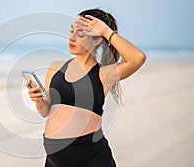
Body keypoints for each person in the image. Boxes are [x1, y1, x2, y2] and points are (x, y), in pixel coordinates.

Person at [25, 8, 146, 167]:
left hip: (91, 158)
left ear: (96, 40)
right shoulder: (55, 68)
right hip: (55, 160)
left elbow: (138, 58)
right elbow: (46, 111)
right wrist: (39, 100)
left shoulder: (103, 74)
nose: (72, 38)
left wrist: (106, 31)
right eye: (71, 31)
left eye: (80, 34)